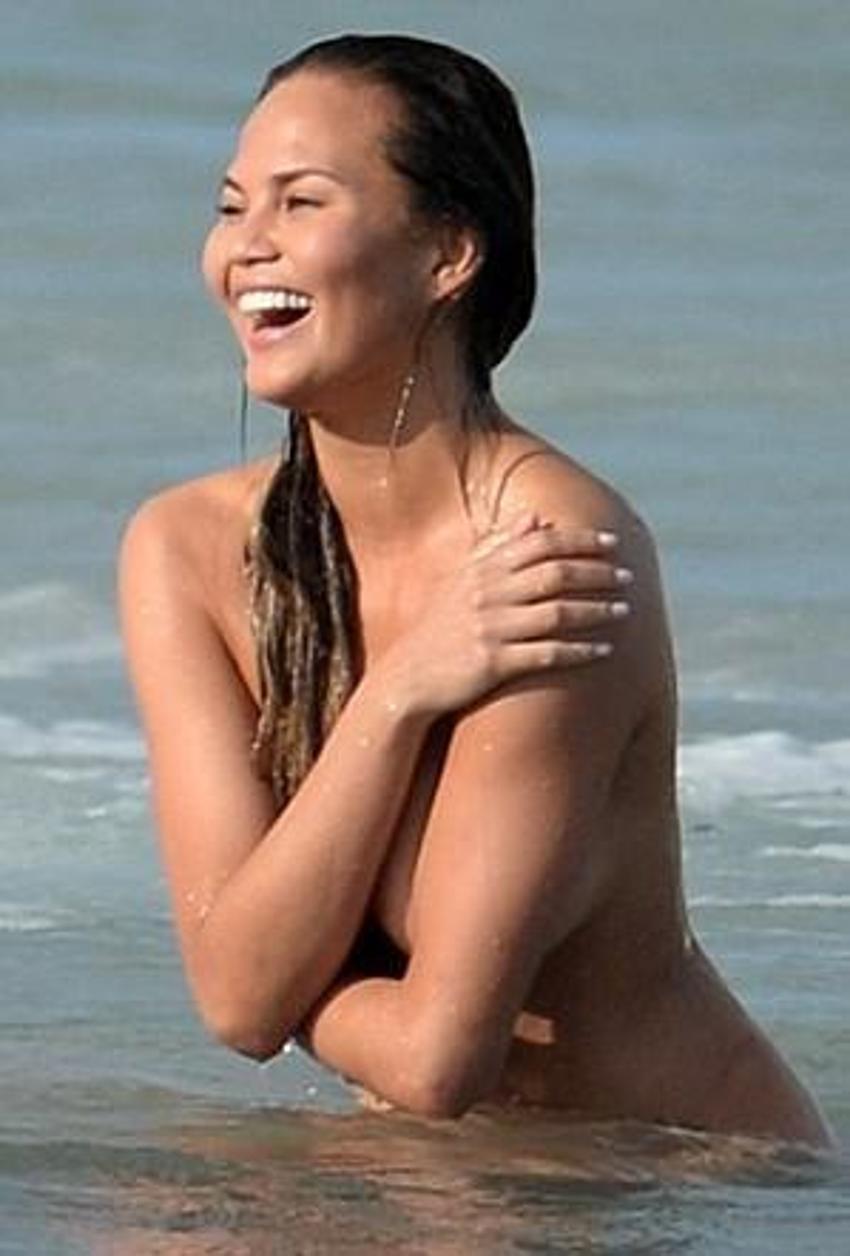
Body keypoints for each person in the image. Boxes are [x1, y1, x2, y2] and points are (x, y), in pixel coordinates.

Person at [119, 33, 833, 1147]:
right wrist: (401, 691)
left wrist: (272, 974)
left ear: (448, 253)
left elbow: (432, 1057)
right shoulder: (187, 549)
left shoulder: (554, 556)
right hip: (476, 1178)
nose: (247, 247)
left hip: (684, 1180)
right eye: (230, 206)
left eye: (302, 202)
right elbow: (234, 998)